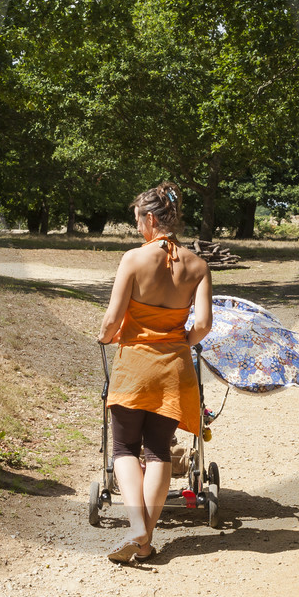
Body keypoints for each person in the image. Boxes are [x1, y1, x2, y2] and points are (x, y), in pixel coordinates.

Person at [96, 182, 213, 563]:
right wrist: (178, 339)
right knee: (159, 450)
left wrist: (106, 336)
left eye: (137, 222)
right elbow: (204, 325)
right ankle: (145, 541)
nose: (137, 230)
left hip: (134, 366)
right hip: (175, 368)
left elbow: (113, 321)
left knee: (126, 449)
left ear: (150, 219)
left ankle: (136, 528)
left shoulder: (133, 259)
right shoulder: (198, 265)